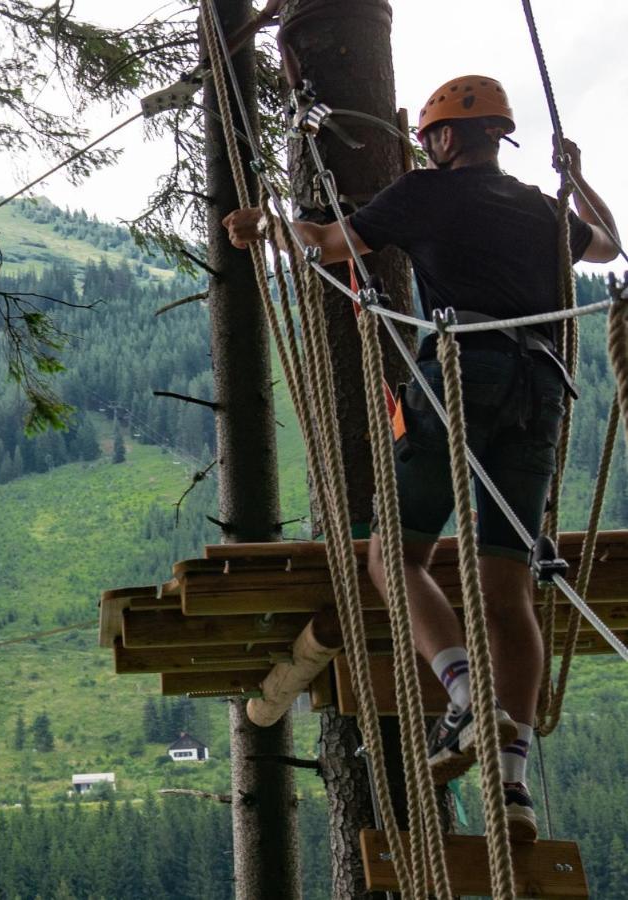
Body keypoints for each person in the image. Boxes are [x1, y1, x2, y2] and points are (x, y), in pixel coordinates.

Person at [224, 75, 619, 842]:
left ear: (440, 138)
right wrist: (576, 180)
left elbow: (331, 241)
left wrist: (268, 226)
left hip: (464, 371)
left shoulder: (423, 194)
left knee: (392, 558)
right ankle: (511, 783)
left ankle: (465, 695)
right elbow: (603, 242)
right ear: (497, 134)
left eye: (430, 137)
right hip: (541, 386)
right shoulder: (541, 211)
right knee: (506, 591)